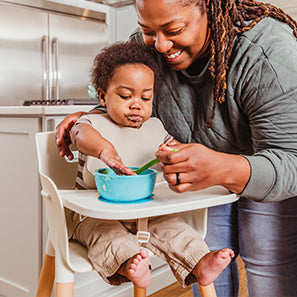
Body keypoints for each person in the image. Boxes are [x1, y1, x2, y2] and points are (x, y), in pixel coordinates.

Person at [56, 1, 297, 296]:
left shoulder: (267, 50)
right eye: (147, 30)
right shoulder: (146, 50)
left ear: (210, 8)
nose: (160, 45)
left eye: (174, 29)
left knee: (266, 262)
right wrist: (91, 117)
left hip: (270, 169)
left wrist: (222, 167)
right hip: (204, 180)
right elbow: (127, 96)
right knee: (207, 263)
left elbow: (292, 161)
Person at [69, 41, 234, 291]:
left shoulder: (155, 128)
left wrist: (177, 153)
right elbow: (79, 136)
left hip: (146, 212)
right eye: (126, 96)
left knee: (175, 228)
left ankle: (199, 262)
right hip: (95, 216)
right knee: (106, 235)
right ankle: (127, 264)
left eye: (145, 97)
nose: (137, 104)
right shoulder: (91, 123)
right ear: (103, 95)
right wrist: (105, 149)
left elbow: (177, 149)